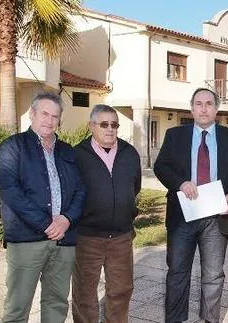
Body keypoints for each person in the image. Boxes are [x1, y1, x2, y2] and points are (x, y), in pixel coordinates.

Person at [154, 88, 228, 323]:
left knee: (214, 275)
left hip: (217, 216)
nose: (204, 108)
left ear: (216, 109)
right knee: (177, 272)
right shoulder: (175, 135)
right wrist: (180, 182)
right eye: (198, 104)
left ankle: (210, 319)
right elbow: (161, 166)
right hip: (182, 216)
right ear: (192, 108)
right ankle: (175, 319)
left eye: (208, 104)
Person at [0, 92, 86, 322]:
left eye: (55, 116)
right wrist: (47, 224)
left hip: (64, 240)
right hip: (27, 239)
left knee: (56, 304)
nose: (49, 120)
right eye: (45, 113)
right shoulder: (12, 147)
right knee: (17, 307)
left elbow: (81, 190)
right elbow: (11, 192)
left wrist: (66, 219)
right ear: (32, 114)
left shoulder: (67, 151)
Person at [72, 104, 142, 323]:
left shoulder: (130, 153)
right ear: (91, 126)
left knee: (121, 291)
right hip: (87, 237)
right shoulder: (77, 155)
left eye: (114, 124)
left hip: (121, 236)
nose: (110, 129)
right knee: (85, 294)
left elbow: (135, 186)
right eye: (104, 124)